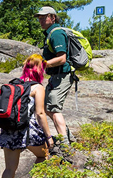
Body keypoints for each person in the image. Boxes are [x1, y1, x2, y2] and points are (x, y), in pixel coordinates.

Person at [0, 54, 54, 178]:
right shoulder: (37, 87)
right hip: (28, 131)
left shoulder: (13, 85)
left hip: (9, 130)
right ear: (40, 70)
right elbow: (40, 113)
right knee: (44, 156)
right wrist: (49, 136)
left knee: (10, 168)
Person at [35, 6, 74, 150]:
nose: (41, 20)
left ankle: (65, 146)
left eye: (44, 17)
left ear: (52, 17)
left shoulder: (56, 34)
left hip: (62, 76)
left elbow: (62, 58)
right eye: (39, 18)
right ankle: (69, 137)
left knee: (52, 108)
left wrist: (41, 65)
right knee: (46, 107)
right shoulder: (50, 33)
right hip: (56, 76)